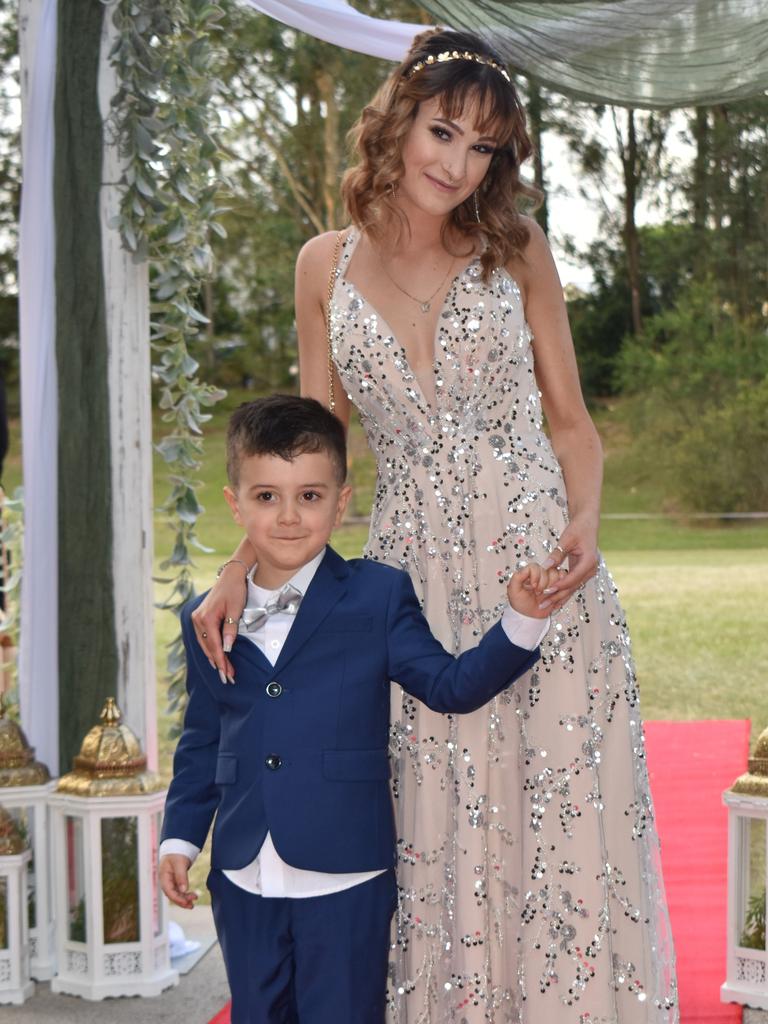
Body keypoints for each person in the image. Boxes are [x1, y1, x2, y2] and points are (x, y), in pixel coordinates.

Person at [192, 29, 678, 1023]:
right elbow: (315, 446)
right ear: (399, 122)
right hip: (409, 572)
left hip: (540, 561)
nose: (455, 163)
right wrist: (249, 558)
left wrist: (583, 524)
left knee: (557, 810)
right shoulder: (321, 265)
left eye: (484, 147)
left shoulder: (518, 247)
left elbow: (574, 425)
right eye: (442, 129)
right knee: (435, 812)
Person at [159, 394, 558, 1024]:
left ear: (341, 503)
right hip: (242, 873)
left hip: (344, 870)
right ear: (236, 505)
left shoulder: (376, 595)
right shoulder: (205, 616)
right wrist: (179, 838)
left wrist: (521, 623)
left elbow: (449, 686)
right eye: (267, 497)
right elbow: (203, 739)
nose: (288, 516)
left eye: (310, 496)